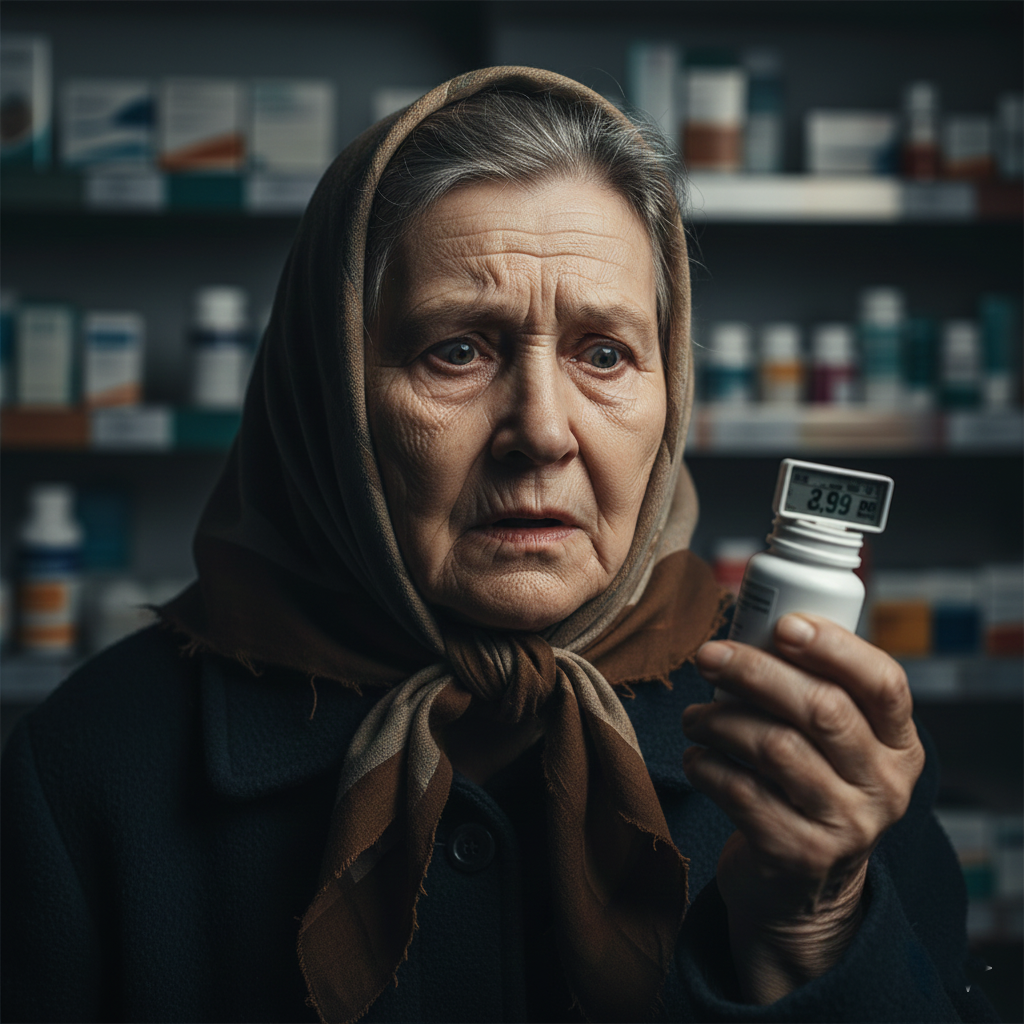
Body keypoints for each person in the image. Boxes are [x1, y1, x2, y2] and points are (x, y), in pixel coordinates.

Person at [0, 67, 999, 1024]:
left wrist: (812, 926)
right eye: (457, 351)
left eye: (603, 353)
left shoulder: (820, 752)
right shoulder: (90, 771)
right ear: (330, 398)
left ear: (669, 390)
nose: (543, 431)